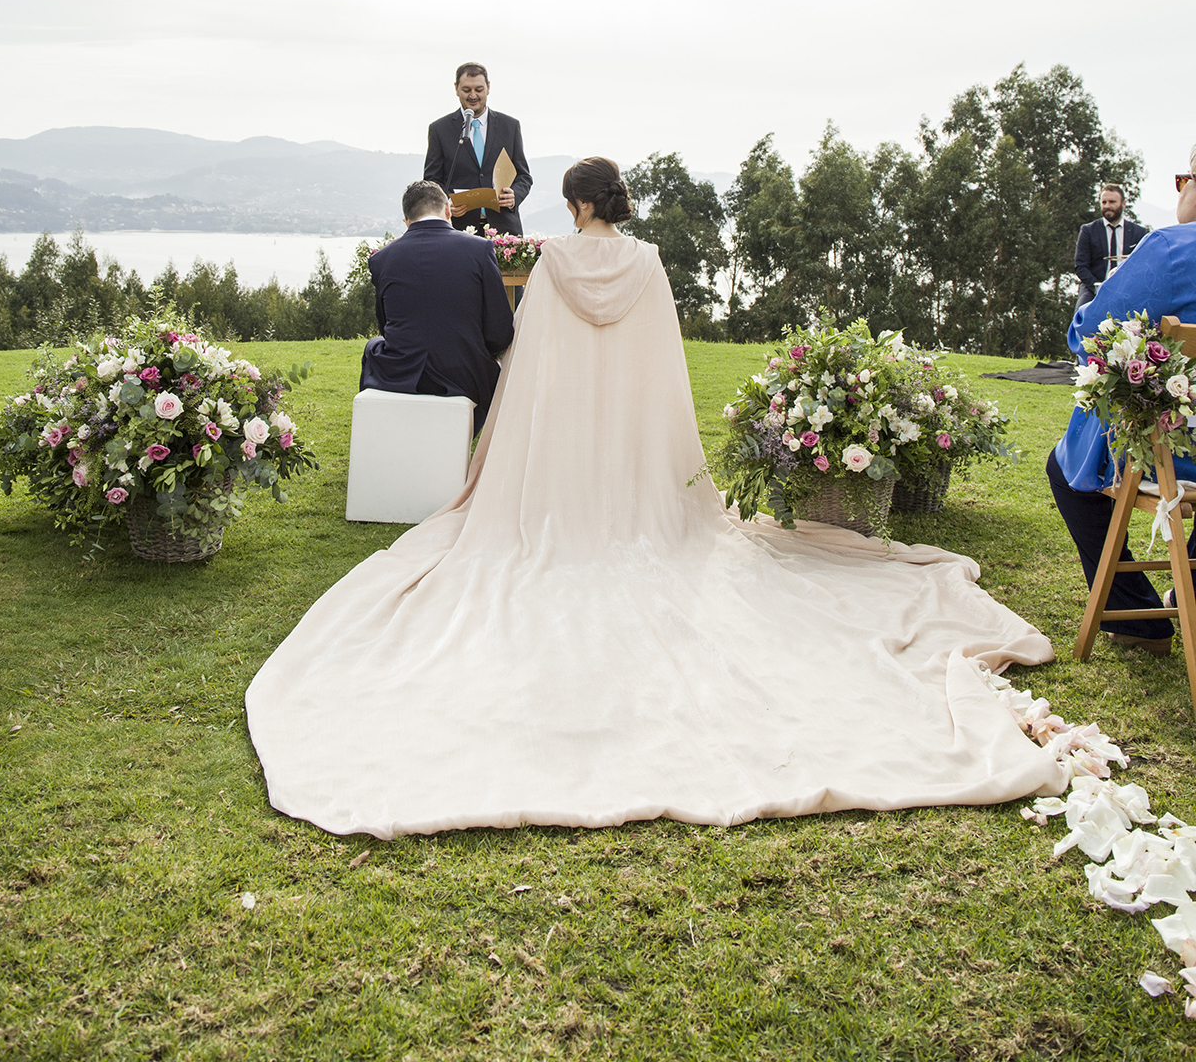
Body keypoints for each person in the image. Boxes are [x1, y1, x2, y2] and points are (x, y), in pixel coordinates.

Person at [246, 157, 1063, 840]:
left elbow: (532, 358)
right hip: (639, 464)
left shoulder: (558, 260)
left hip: (558, 470)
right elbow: (661, 363)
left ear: (576, 204)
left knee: (515, 542)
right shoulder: (646, 261)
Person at [1047, 146, 1196, 652]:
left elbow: (1090, 334)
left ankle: (1141, 622)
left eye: (1183, 180)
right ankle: (1191, 590)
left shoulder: (1172, 250)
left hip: (1176, 454)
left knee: (1066, 470)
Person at [360, 180, 514, 434]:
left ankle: (383, 433)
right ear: (447, 210)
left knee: (372, 346)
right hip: (466, 374)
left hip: (401, 372)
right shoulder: (479, 249)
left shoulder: (382, 259)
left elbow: (385, 325)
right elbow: (499, 330)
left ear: (407, 221)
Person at [424, 62, 532, 237]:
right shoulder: (440, 129)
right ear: (456, 89)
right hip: (458, 229)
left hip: (504, 229)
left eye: (479, 89)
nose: (473, 95)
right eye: (466, 90)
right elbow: (431, 181)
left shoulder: (510, 126)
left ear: (488, 88)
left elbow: (524, 176)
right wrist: (445, 204)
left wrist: (514, 196)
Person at [1074, 185, 1149, 309]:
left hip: (1128, 288)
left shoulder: (1139, 232)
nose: (1107, 206)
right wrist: (1099, 288)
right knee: (1080, 316)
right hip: (1094, 287)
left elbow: (1143, 266)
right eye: (1104, 202)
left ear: (1123, 204)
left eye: (1112, 202)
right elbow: (1081, 266)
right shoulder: (1088, 230)